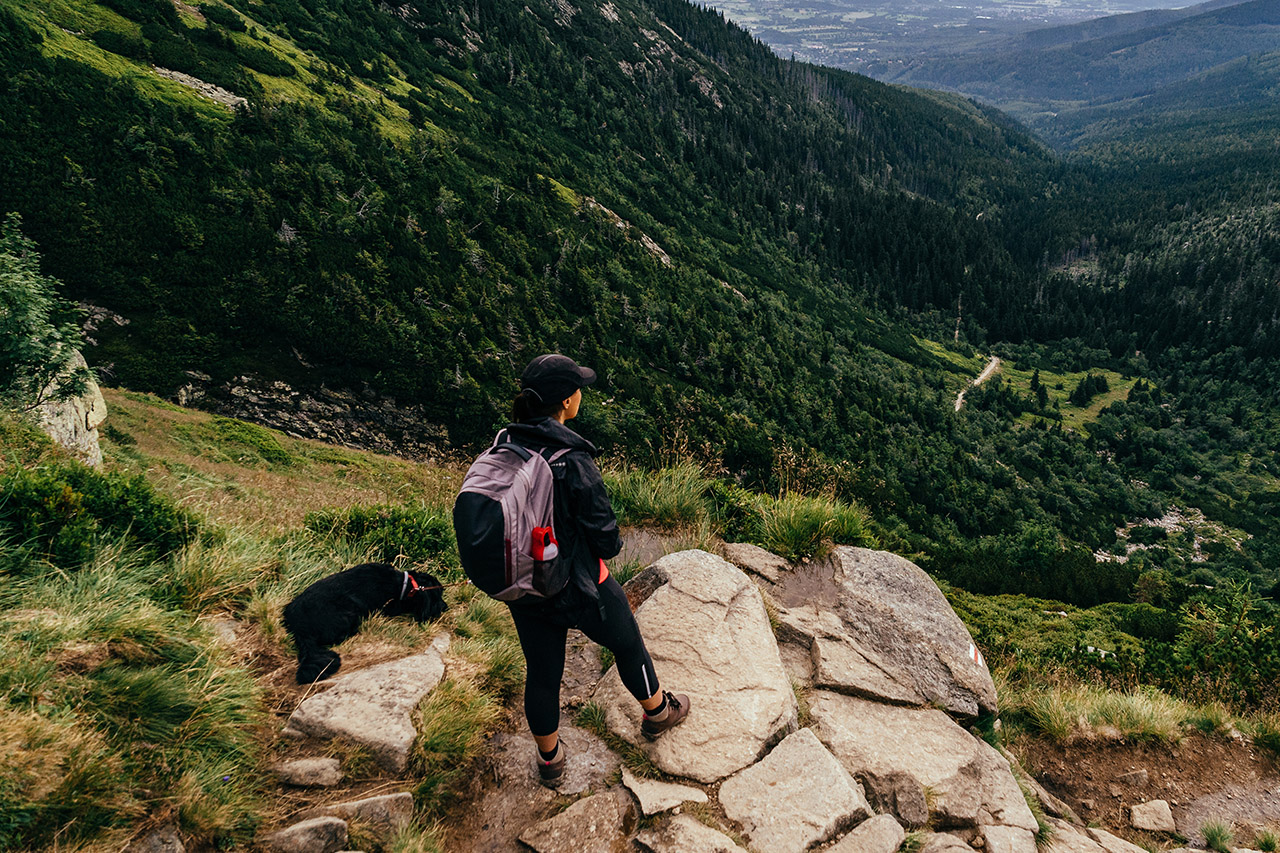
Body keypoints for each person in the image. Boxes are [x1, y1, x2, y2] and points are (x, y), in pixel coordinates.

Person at [502, 353, 690, 786]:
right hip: (580, 582)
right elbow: (606, 539)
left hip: (526, 584)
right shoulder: (573, 459)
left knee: (543, 673)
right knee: (627, 642)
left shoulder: (506, 445)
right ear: (568, 402)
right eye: (578, 388)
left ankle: (550, 761)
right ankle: (659, 713)